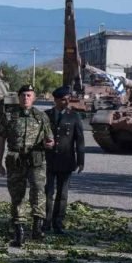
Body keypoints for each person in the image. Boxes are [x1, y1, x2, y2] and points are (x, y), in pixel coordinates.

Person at [0, 84, 54, 247]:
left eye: (29, 95)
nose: (26, 98)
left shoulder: (41, 117)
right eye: (23, 95)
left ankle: (37, 227)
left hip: (36, 160)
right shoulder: (9, 116)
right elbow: (0, 140)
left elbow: (49, 138)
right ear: (18, 97)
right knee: (17, 195)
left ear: (34, 98)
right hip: (15, 159)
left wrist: (50, 143)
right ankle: (19, 232)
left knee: (38, 192)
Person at [43, 86, 85, 234]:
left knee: (62, 194)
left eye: (68, 99)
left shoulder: (74, 116)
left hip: (66, 161)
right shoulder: (46, 116)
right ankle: (45, 222)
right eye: (63, 100)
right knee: (47, 193)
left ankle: (58, 223)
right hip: (48, 160)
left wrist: (81, 161)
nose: (66, 102)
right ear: (55, 100)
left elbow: (79, 140)